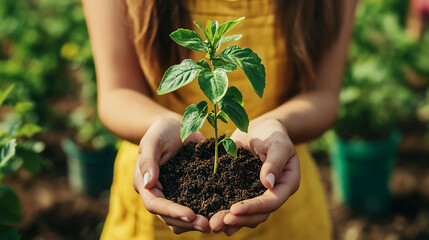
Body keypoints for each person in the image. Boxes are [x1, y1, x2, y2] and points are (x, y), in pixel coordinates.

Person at [82, 0, 357, 239]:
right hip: (156, 187)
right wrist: (162, 123)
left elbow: (323, 95)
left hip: (279, 187)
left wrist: (277, 126)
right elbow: (117, 92)